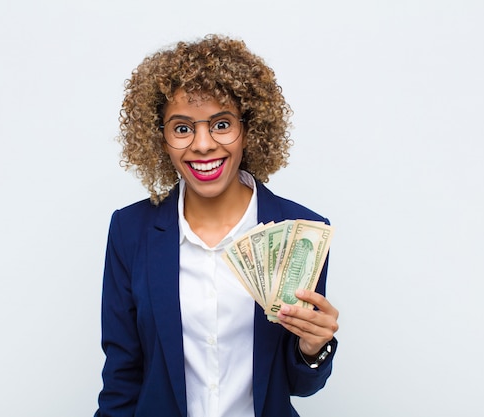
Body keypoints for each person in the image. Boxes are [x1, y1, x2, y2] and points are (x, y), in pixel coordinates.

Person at [95, 34, 339, 417]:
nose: (203, 145)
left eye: (222, 124)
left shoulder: (300, 231)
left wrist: (313, 349)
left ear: (250, 129)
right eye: (182, 128)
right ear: (159, 137)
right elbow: (122, 376)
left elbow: (300, 386)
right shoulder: (130, 231)